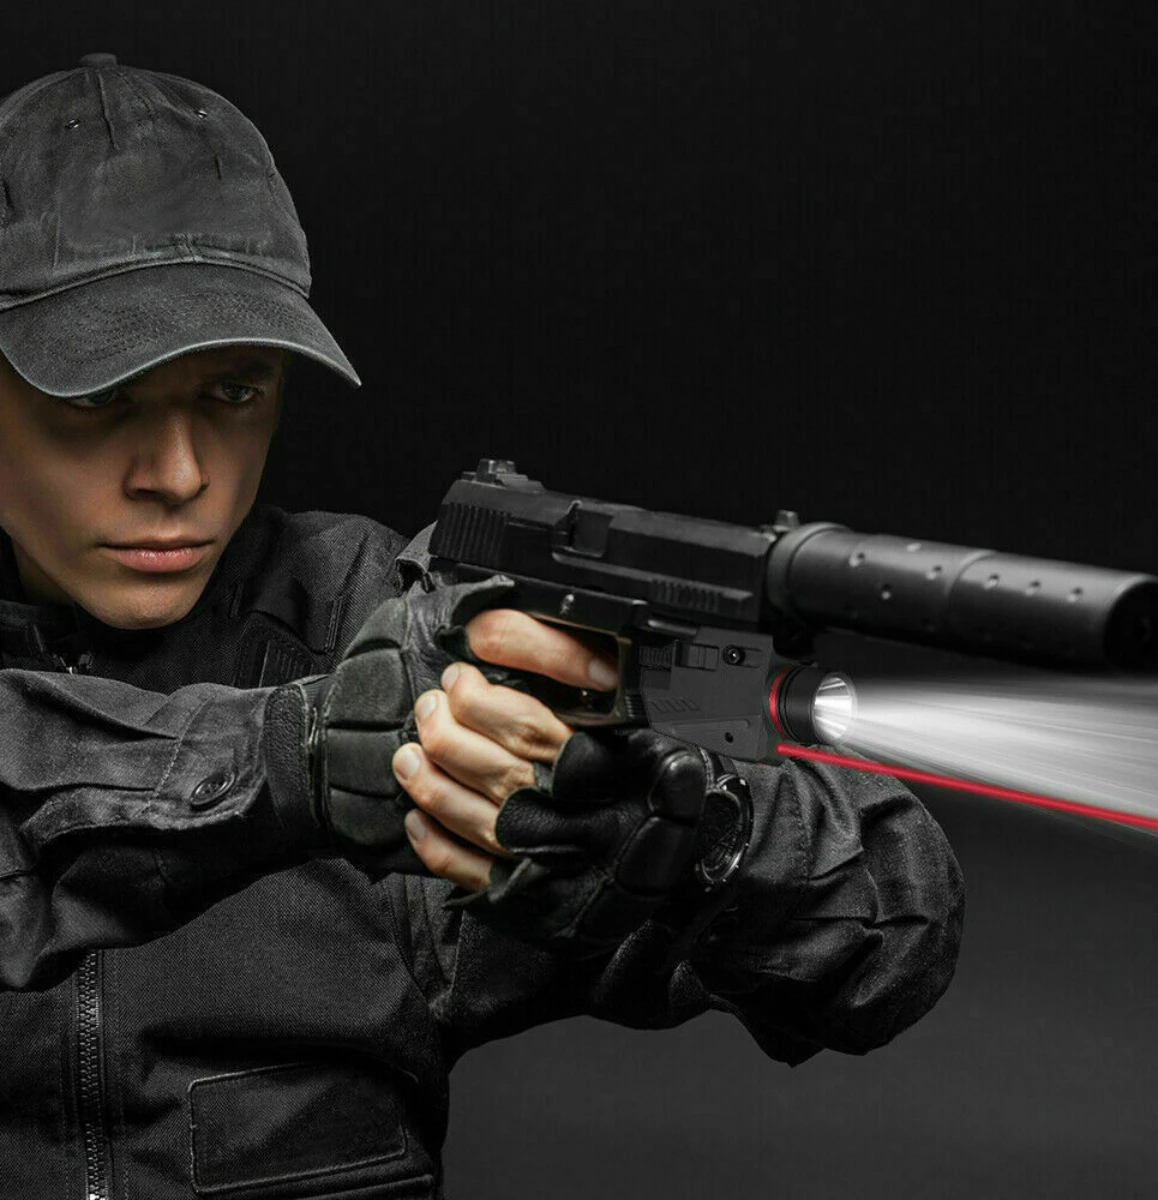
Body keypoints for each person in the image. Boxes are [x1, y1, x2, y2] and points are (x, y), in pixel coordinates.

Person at [0, 54, 964, 1199]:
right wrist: (294, 759)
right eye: (99, 401)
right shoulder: (372, 674)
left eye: (235, 392)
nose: (177, 474)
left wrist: (704, 836)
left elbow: (892, 929)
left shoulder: (389, 620)